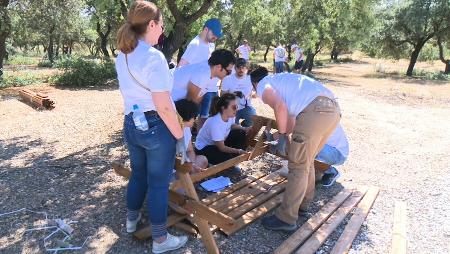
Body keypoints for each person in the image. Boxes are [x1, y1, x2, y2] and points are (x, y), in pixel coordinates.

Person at [115, 1, 188, 252]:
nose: (163, 31)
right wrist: (180, 135)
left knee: (138, 174)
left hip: (131, 123)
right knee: (158, 182)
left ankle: (131, 221)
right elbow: (164, 106)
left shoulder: (121, 54)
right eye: (162, 26)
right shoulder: (154, 57)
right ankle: (160, 240)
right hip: (155, 126)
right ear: (152, 24)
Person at [250, 67, 340, 231]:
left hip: (315, 110)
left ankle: (286, 218)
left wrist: (283, 137)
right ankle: (303, 205)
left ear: (254, 84)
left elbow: (280, 107)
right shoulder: (283, 82)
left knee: (298, 166)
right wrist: (282, 135)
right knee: (307, 161)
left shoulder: (263, 84)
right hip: (332, 109)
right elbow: (290, 117)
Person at [177, 18, 223, 130]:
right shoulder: (195, 44)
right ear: (206, 29)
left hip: (207, 87)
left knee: (206, 114)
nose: (215, 38)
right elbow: (181, 67)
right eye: (214, 34)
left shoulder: (211, 45)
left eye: (217, 36)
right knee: (192, 117)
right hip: (194, 88)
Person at [278, 124, 349, 187]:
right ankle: (312, 171)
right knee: (302, 146)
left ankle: (330, 171)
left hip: (338, 154)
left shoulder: (315, 117)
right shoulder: (308, 113)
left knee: (305, 146)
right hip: (328, 148)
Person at [194, 93, 251, 167]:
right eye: (234, 107)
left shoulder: (230, 115)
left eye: (237, 106)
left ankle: (233, 159)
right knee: (227, 158)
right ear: (223, 108)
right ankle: (217, 162)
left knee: (240, 133)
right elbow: (222, 147)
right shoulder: (215, 122)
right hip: (204, 148)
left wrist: (244, 128)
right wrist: (238, 151)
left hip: (218, 143)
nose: (236, 109)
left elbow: (231, 125)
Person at [171, 49, 235, 104]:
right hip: (167, 98)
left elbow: (198, 98)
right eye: (228, 72)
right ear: (219, 67)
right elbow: (190, 101)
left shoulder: (210, 69)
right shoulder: (203, 74)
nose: (228, 75)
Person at [175, 99, 209, 173]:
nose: (195, 120)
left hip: (185, 163)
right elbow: (177, 158)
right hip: (174, 167)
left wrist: (192, 164)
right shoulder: (172, 132)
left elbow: (190, 150)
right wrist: (190, 166)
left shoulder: (186, 129)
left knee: (203, 160)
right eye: (194, 117)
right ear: (186, 117)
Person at [221, 58, 256, 127]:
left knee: (254, 119)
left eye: (243, 67)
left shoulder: (251, 79)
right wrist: (232, 95)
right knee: (231, 128)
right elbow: (222, 95)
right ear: (235, 68)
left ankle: (243, 126)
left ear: (247, 68)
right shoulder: (227, 79)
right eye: (239, 67)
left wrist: (251, 94)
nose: (241, 70)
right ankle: (236, 126)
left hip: (246, 107)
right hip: (230, 107)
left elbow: (256, 94)